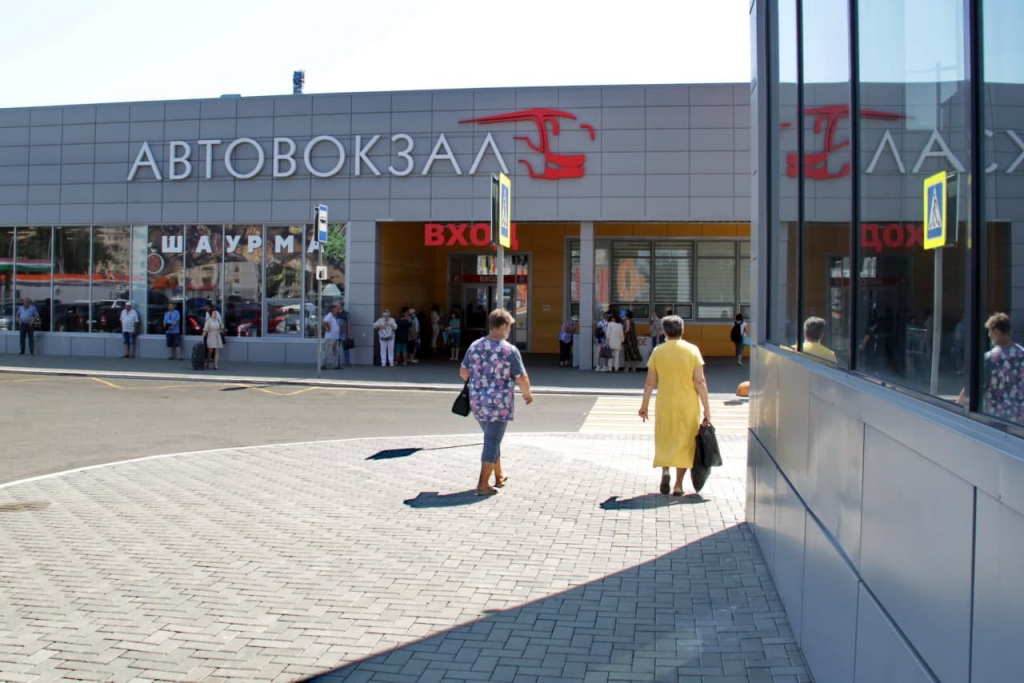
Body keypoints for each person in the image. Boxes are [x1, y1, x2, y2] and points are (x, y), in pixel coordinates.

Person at [459, 308, 534, 496]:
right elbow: (522, 377)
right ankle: (483, 484)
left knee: (492, 437)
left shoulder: (475, 345)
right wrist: (527, 394)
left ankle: (499, 475)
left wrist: (479, 380)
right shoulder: (509, 350)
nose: (509, 330)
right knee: (492, 440)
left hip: (477, 401)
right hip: (499, 404)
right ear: (502, 326)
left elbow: (463, 372)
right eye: (508, 326)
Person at [638, 314, 712, 496]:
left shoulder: (658, 352)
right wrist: (707, 410)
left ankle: (665, 471)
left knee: (666, 437)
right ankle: (678, 484)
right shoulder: (693, 350)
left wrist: (644, 405)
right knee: (685, 442)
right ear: (682, 329)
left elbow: (650, 383)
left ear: (664, 332)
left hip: (665, 402)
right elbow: (700, 382)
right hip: (687, 404)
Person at [979, 312, 1024, 424]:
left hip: (995, 414)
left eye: (990, 331)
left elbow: (979, 384)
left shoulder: (991, 357)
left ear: (997, 332)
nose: (989, 335)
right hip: (1019, 415)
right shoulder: (1022, 353)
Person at [202, 303, 224, 370]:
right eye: (213, 313)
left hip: (217, 335)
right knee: (210, 351)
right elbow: (205, 330)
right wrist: (202, 338)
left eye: (215, 313)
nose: (215, 315)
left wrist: (221, 329)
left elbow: (222, 327)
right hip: (211, 335)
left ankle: (215, 364)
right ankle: (208, 363)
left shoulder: (218, 320)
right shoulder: (208, 321)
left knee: (217, 350)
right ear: (211, 314)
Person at [322, 303, 342, 369]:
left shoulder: (334, 317)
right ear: (333, 310)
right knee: (327, 351)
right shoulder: (329, 315)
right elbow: (324, 322)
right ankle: (323, 364)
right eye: (336, 309)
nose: (337, 310)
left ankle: (336, 365)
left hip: (336, 337)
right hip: (330, 337)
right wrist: (328, 328)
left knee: (336, 351)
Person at [336, 302, 352, 366]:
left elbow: (348, 324)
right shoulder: (336, 314)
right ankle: (337, 362)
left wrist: (348, 334)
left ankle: (347, 362)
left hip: (343, 333)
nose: (338, 307)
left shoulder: (346, 314)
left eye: (339, 306)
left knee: (346, 348)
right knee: (337, 348)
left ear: (342, 306)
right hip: (336, 334)